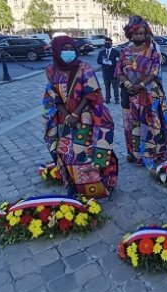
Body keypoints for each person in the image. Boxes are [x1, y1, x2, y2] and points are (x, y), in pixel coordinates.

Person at [42, 36, 118, 198]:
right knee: (66, 154)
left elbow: (91, 92)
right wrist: (67, 115)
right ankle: (73, 185)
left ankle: (97, 185)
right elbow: (53, 97)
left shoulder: (84, 68)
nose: (69, 52)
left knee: (89, 154)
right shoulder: (51, 70)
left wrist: (76, 114)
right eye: (64, 49)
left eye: (71, 48)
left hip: (87, 119)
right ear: (56, 51)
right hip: (65, 119)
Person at [115, 15, 167, 169]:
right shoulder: (124, 52)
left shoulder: (152, 52)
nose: (139, 36)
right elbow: (119, 72)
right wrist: (129, 84)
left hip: (149, 95)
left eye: (142, 33)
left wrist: (140, 85)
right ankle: (135, 153)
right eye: (136, 33)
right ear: (130, 34)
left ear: (146, 33)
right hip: (128, 95)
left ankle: (152, 152)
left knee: (151, 124)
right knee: (131, 125)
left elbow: (154, 72)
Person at [96, 38, 120, 104]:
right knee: (107, 87)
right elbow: (98, 61)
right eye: (105, 43)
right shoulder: (101, 52)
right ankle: (107, 99)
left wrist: (111, 62)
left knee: (115, 87)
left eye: (108, 43)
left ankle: (116, 98)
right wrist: (103, 61)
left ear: (111, 44)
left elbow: (118, 62)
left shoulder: (116, 52)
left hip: (113, 72)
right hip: (105, 72)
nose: (106, 44)